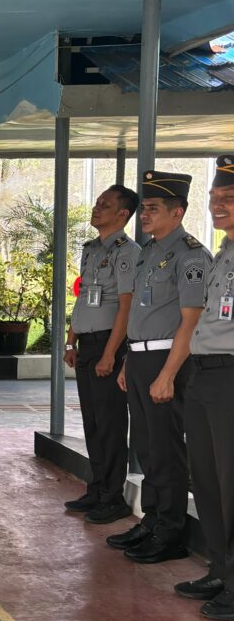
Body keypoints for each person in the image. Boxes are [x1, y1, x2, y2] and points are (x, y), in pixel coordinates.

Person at [109, 170, 209, 563]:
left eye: (153, 208)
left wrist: (167, 374)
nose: (144, 215)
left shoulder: (190, 254)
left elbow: (191, 321)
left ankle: (170, 532)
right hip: (140, 357)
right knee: (147, 447)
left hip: (169, 360)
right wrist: (128, 361)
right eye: (144, 208)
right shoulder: (149, 251)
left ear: (177, 212)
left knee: (166, 450)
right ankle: (151, 521)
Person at [174, 156, 234, 618]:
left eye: (228, 198)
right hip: (203, 374)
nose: (218, 205)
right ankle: (221, 569)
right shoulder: (223, 254)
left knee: (231, 482)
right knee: (208, 481)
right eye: (214, 198)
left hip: (230, 376)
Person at [63, 184, 141, 522]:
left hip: (110, 343)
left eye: (105, 204)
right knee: (92, 422)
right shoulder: (91, 249)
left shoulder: (128, 252)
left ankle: (113, 497)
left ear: (122, 214)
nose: (97, 208)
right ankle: (97, 488)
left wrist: (110, 355)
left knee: (110, 424)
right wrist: (71, 341)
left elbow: (126, 307)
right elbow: (83, 297)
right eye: (97, 202)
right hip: (87, 344)